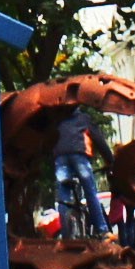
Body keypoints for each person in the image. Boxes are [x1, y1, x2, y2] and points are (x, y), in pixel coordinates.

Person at [48, 103, 112, 241]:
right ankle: (102, 231)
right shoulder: (83, 118)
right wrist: (110, 161)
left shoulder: (57, 120)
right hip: (79, 155)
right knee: (90, 193)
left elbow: (50, 140)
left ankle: (66, 234)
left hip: (60, 158)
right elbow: (99, 139)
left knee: (64, 198)